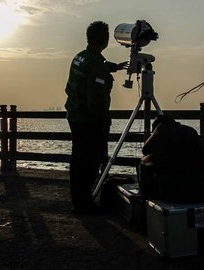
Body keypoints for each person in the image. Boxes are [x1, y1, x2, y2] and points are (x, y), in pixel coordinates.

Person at [65, 21, 128, 214]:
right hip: (90, 120)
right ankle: (84, 204)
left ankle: (77, 199)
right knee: (90, 163)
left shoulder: (81, 57)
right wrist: (103, 119)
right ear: (106, 41)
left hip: (75, 115)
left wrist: (113, 67)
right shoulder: (97, 66)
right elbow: (95, 98)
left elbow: (94, 66)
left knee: (77, 159)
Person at [138, 115, 204, 203]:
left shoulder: (161, 130)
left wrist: (154, 135)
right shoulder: (189, 130)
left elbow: (145, 150)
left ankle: (145, 198)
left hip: (178, 193)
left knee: (144, 162)